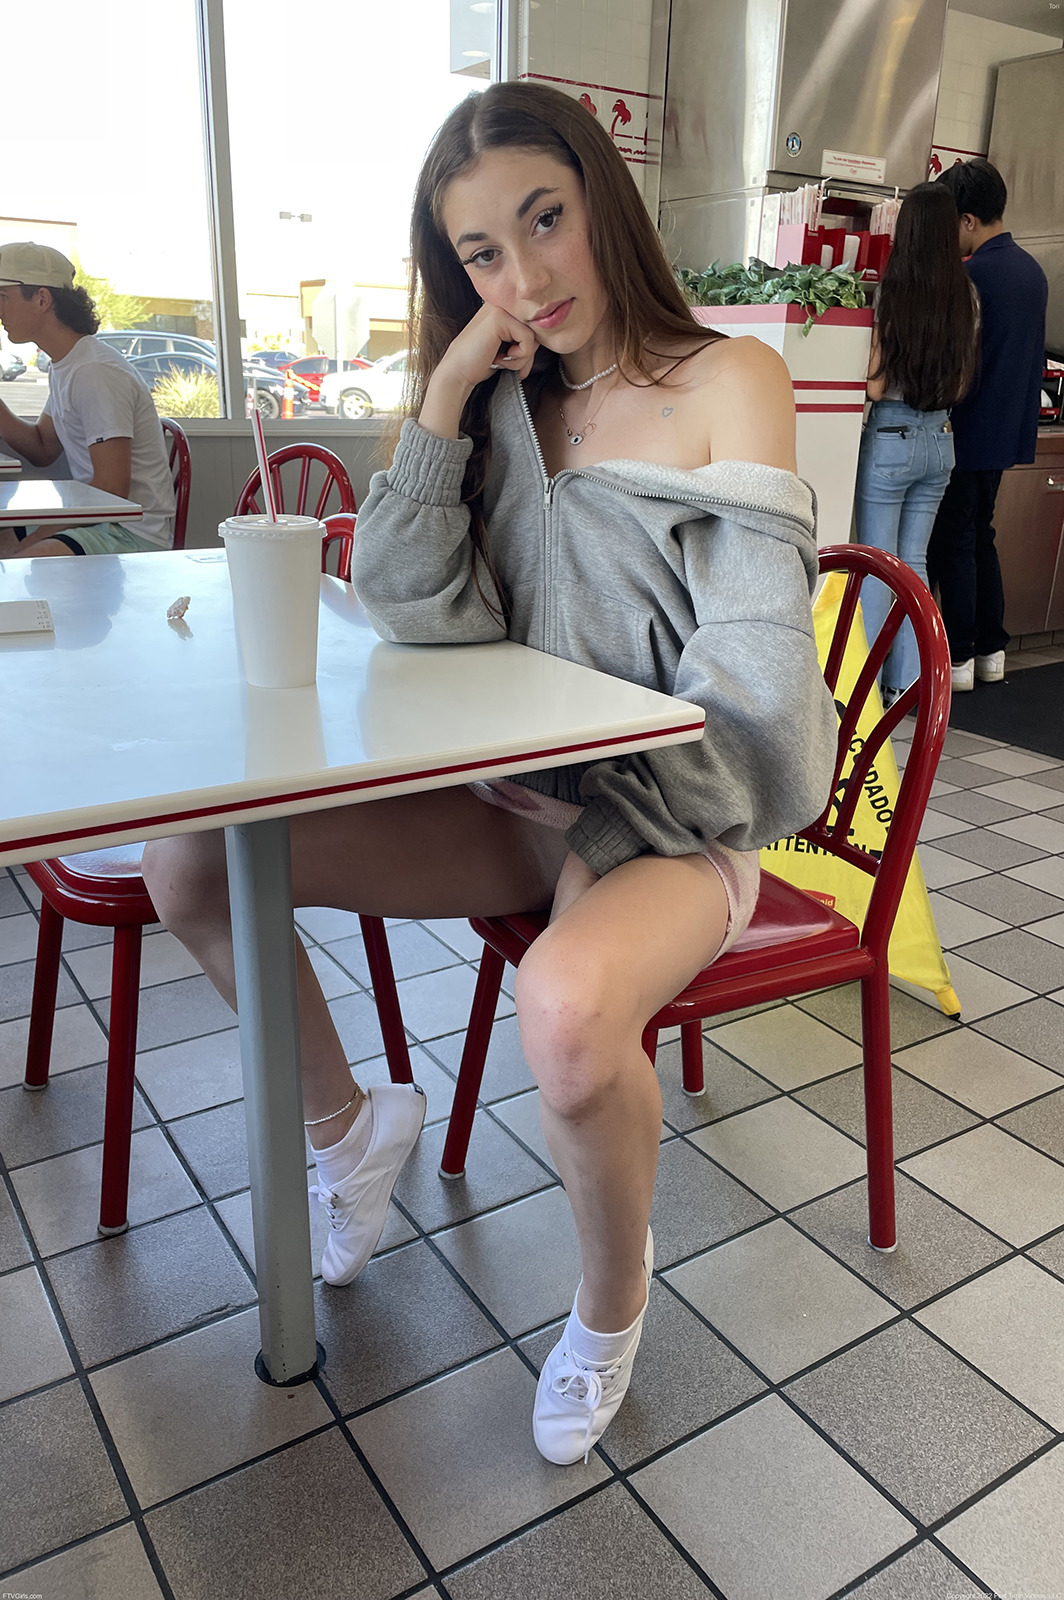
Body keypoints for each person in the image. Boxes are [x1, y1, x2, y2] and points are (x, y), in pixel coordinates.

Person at [142, 82, 836, 1466]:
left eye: (545, 219)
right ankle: (350, 1132)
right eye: (481, 254)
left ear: (601, 201)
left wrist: (595, 808)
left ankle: (608, 1304)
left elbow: (761, 699)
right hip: (513, 802)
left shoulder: (731, 380)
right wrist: (451, 391)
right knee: (194, 859)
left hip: (679, 819)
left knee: (565, 1013)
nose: (524, 276)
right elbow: (414, 607)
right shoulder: (509, 400)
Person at [855, 183, 979, 705]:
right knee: (914, 563)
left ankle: (863, 689)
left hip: (891, 438)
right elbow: (960, 383)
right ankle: (908, 685)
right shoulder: (966, 295)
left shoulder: (892, 292)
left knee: (877, 566)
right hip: (941, 439)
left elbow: (875, 386)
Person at [928, 158, 1048, 691]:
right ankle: (991, 650)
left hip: (966, 428)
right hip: (1006, 431)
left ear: (968, 219)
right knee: (980, 535)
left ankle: (958, 655)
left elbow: (956, 360)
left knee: (953, 541)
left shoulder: (973, 275)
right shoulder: (1031, 271)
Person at [0, 243, 175, 557]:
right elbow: (43, 448)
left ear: (41, 299)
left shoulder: (94, 371)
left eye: (3, 297)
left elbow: (112, 488)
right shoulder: (67, 364)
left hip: (131, 531)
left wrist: (33, 540)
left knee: (17, 565)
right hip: (98, 517)